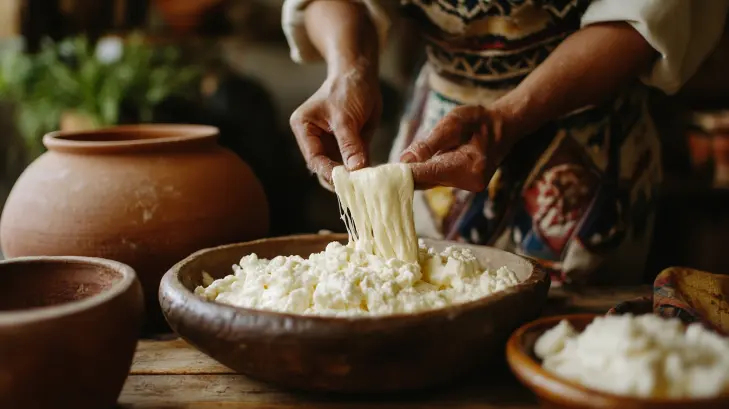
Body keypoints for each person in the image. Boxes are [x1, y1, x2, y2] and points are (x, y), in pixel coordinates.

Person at [283, 0, 729, 285]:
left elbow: (650, 13)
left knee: (565, 336)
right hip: (437, 129)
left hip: (586, 135)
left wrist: (510, 117)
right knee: (417, 293)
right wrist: (350, 67)